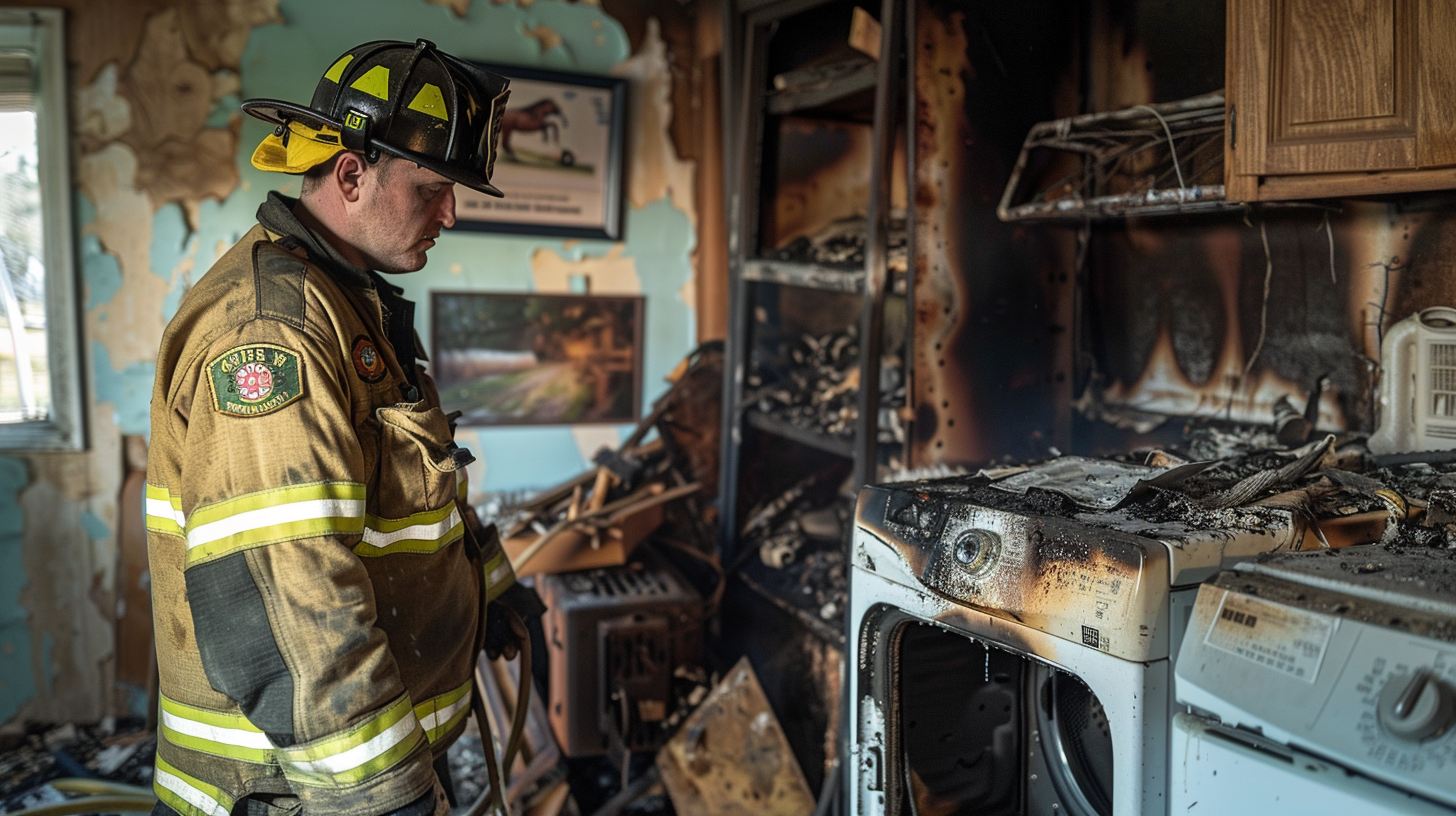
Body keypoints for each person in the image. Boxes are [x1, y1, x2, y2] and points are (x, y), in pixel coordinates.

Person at [145, 39, 544, 816]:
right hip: (293, 790)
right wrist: (383, 795)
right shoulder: (270, 335)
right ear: (352, 174)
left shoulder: (351, 301)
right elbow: (285, 596)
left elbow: (410, 485)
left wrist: (487, 586)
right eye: (432, 188)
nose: (451, 214)